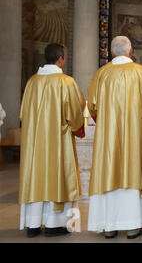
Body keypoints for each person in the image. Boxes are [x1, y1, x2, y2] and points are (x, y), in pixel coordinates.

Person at [87, 36, 142, 239]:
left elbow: (92, 106)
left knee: (109, 171)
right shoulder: (141, 72)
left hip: (107, 136)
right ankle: (133, 226)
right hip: (133, 135)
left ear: (111, 53)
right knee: (132, 170)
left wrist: (103, 119)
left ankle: (109, 226)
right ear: (130, 52)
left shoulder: (101, 74)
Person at [19, 43, 85, 238]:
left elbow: (23, 113)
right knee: (57, 177)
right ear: (61, 58)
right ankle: (54, 225)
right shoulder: (66, 82)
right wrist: (78, 128)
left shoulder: (32, 82)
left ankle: (33, 224)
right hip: (58, 142)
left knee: (36, 178)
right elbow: (75, 112)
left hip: (34, 144)